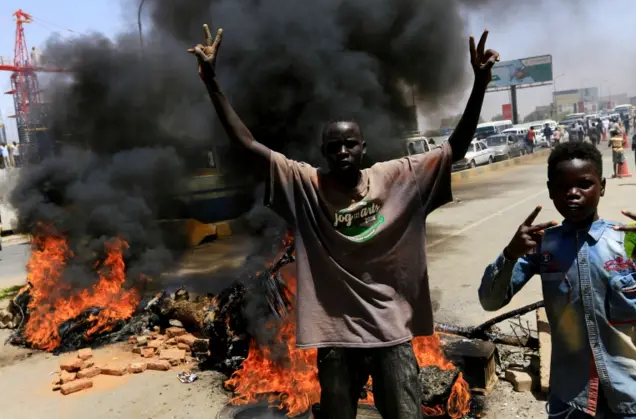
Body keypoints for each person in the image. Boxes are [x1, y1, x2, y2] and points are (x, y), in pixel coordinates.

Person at [188, 25, 499, 418]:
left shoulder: (397, 178)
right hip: (336, 338)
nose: (342, 151)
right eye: (333, 146)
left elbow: (455, 147)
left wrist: (481, 85)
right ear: (323, 152)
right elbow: (248, 146)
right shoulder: (306, 184)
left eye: (350, 143)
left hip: (391, 334)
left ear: (364, 147)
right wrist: (212, 82)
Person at [478, 142, 636, 419]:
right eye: (563, 186)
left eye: (584, 184)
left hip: (630, 394)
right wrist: (510, 254)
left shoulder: (628, 240)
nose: (573, 194)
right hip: (571, 399)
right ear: (551, 190)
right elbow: (490, 301)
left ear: (602, 187)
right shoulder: (543, 246)